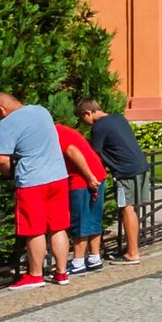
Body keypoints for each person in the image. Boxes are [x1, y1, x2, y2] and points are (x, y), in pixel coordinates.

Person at [0, 91, 73, 286]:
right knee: (58, 226)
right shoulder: (41, 110)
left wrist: (8, 173)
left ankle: (35, 275)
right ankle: (61, 272)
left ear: (2, 109)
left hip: (33, 180)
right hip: (58, 176)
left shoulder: (7, 123)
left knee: (34, 229)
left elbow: (2, 160)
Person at [82, 98, 150, 263]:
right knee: (132, 209)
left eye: (81, 117)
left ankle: (132, 253)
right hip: (140, 166)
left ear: (87, 113)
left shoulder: (99, 126)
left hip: (124, 172)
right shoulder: (118, 118)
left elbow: (94, 154)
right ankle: (133, 249)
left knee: (126, 209)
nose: (83, 122)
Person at [57, 114, 110, 272]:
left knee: (80, 219)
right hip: (97, 173)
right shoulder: (63, 130)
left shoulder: (55, 133)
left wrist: (89, 177)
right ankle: (94, 258)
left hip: (83, 178)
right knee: (94, 217)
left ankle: (78, 262)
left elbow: (72, 151)